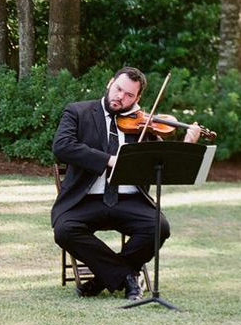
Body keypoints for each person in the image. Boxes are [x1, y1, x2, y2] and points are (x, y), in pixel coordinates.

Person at [51, 67, 201, 300]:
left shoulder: (144, 124)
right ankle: (128, 277)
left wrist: (187, 144)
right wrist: (109, 160)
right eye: (119, 89)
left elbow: (162, 164)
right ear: (110, 83)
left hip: (129, 200)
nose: (121, 97)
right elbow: (62, 146)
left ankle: (102, 279)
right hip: (86, 199)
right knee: (64, 230)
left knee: (159, 227)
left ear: (138, 98)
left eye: (129, 95)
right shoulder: (78, 112)